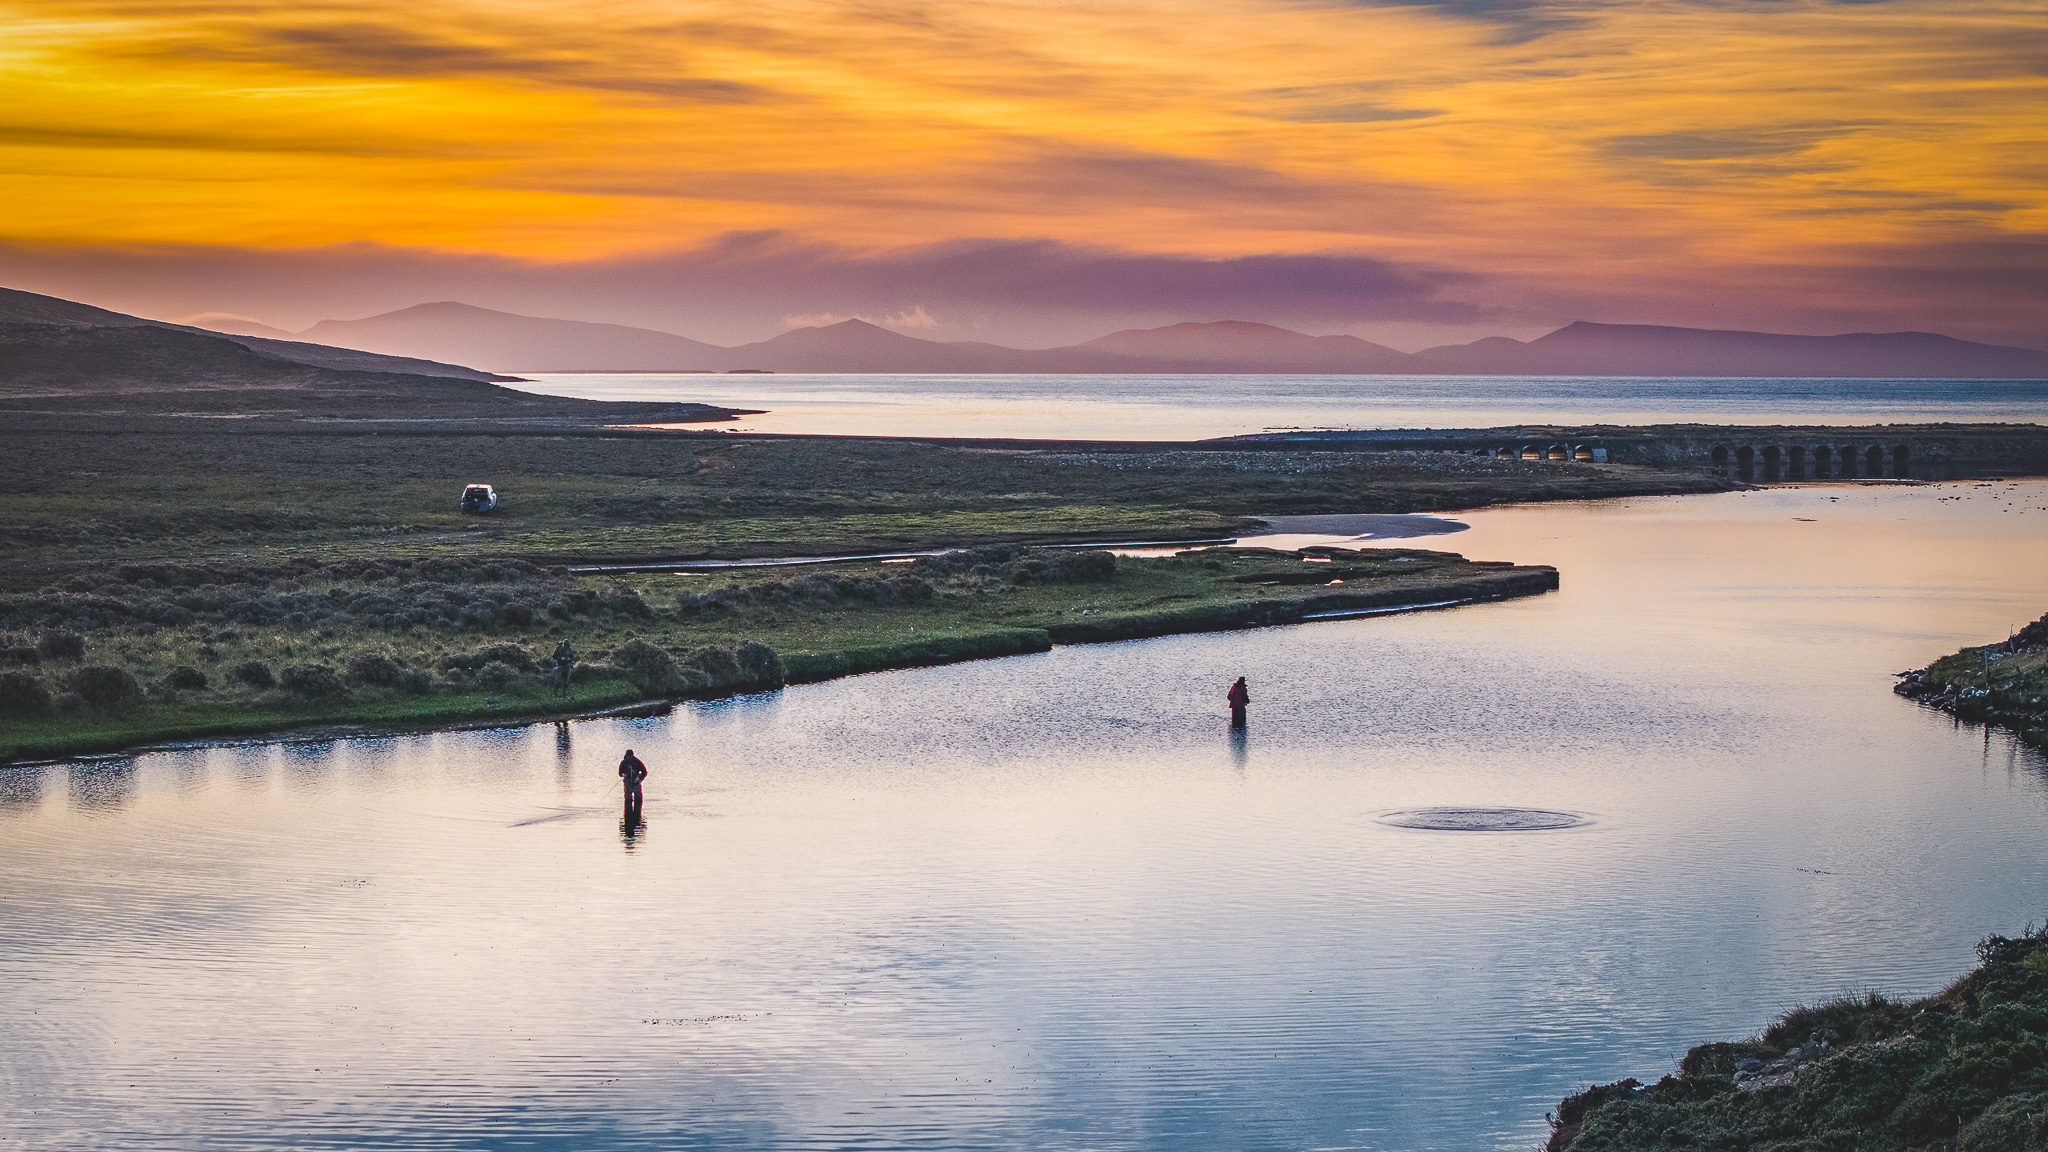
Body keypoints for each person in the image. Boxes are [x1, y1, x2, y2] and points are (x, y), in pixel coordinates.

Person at [618, 748, 647, 820]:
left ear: (632, 755)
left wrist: (640, 779)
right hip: (627, 783)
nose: (629, 758)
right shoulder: (623, 763)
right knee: (628, 799)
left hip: (636, 782)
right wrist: (623, 775)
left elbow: (644, 772)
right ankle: (628, 814)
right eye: (628, 756)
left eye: (630, 756)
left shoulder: (637, 762)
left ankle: (638, 815)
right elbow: (620, 773)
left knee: (638, 798)